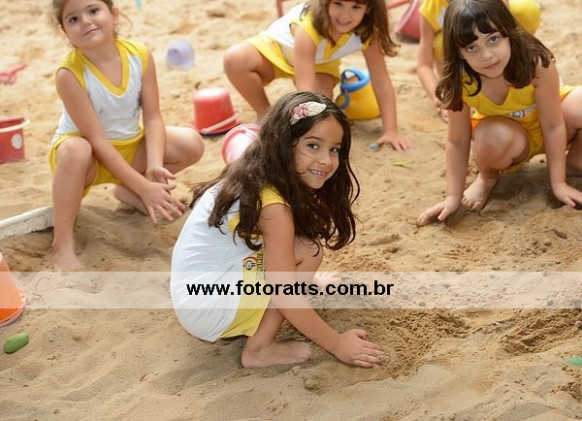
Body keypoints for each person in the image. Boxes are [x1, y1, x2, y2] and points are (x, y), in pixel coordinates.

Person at [171, 91, 384, 368]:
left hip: (193, 293)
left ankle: (295, 286)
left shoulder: (255, 170)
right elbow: (283, 291)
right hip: (209, 307)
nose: (326, 160)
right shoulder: (273, 207)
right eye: (313, 145)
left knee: (299, 248)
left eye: (334, 149)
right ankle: (260, 349)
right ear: (284, 143)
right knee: (308, 251)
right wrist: (337, 344)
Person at [49, 0, 204, 270]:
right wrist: (145, 186)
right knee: (76, 150)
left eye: (93, 10)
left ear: (114, 15)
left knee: (191, 142)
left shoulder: (139, 55)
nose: (85, 21)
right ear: (64, 32)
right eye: (73, 19)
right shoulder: (69, 74)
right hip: (87, 161)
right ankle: (62, 243)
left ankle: (128, 190)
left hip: (129, 148)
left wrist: (154, 165)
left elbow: (153, 117)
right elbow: (97, 140)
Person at [418, 0, 582, 225]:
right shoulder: (458, 80)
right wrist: (453, 197)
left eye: (493, 39)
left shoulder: (535, 61)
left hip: (556, 123)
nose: (486, 55)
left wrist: (559, 184)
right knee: (491, 137)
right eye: (472, 47)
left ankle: (573, 163)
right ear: (460, 53)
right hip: (510, 138)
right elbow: (457, 139)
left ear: (508, 32)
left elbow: (553, 125)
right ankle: (487, 177)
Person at [223, 0, 413, 151]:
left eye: (356, 7)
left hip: (320, 63)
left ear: (368, 8)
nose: (345, 15)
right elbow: (305, 91)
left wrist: (391, 130)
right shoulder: (309, 25)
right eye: (338, 3)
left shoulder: (368, 31)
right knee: (235, 59)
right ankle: (264, 114)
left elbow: (381, 80)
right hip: (277, 52)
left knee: (320, 99)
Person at [417, 0, 541, 122]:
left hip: (493, 41)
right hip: (462, 64)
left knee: (526, 10)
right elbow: (424, 64)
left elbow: (506, 27)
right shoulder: (431, 8)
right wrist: (440, 99)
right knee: (442, 42)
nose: (486, 56)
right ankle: (454, 80)